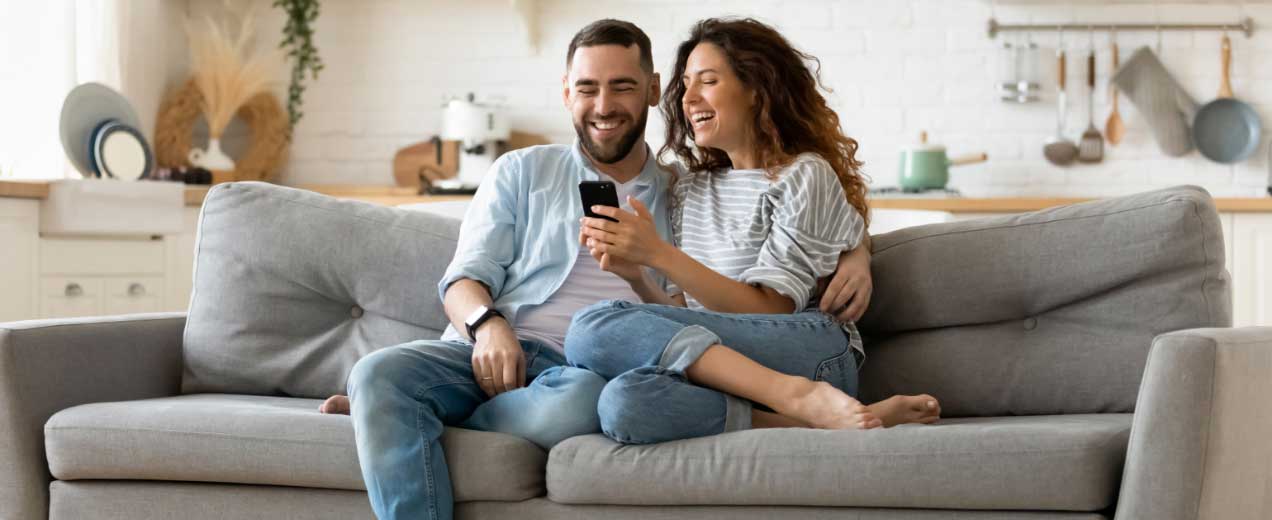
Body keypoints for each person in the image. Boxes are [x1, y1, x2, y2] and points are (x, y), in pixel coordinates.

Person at [332, 19, 876, 520]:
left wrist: (859, 252)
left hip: (579, 373)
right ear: (567, 92)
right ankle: (396, 404)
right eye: (587, 88)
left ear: (650, 89)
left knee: (585, 394)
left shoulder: (678, 190)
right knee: (376, 373)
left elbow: (809, 213)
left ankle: (408, 417)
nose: (603, 105)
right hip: (483, 351)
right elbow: (462, 279)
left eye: (621, 87)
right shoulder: (523, 171)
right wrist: (488, 325)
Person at [566, 17, 940, 445]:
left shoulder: (802, 175)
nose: (688, 98)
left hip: (807, 351)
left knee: (589, 327)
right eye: (685, 83)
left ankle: (799, 394)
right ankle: (813, 418)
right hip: (728, 362)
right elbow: (684, 315)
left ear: (757, 89)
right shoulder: (689, 188)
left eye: (707, 80)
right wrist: (636, 275)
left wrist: (659, 254)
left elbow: (771, 310)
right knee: (623, 403)